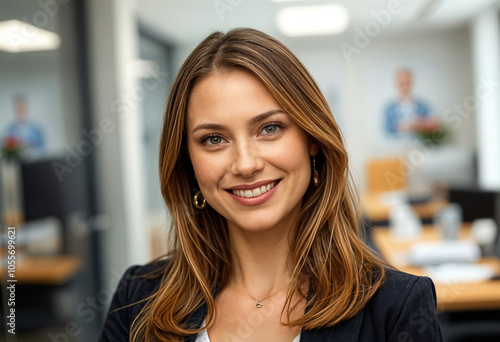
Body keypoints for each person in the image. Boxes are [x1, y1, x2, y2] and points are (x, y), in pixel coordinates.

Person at [100, 28, 443, 341]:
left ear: (312, 139)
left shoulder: (398, 306)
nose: (246, 164)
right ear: (188, 162)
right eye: (214, 138)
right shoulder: (137, 300)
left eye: (270, 128)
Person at [384, 69, 440, 137]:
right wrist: (400, 126)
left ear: (412, 83)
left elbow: (435, 124)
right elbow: (386, 132)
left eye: (407, 83)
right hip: (397, 146)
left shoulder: (423, 106)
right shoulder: (389, 109)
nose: (404, 88)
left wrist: (418, 124)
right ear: (396, 84)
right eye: (401, 84)